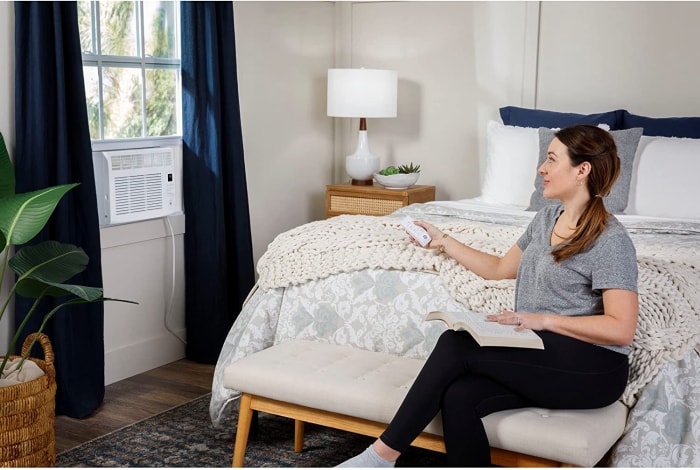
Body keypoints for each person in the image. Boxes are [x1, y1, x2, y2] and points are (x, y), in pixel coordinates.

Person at [338, 124, 639, 467]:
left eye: (552, 159)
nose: (542, 168)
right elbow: (499, 269)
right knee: (459, 394)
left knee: (456, 344)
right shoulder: (546, 219)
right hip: (544, 351)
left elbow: (621, 328)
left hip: (594, 369)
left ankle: (380, 457)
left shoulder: (611, 239)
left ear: (582, 170)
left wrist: (542, 320)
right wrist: (444, 241)